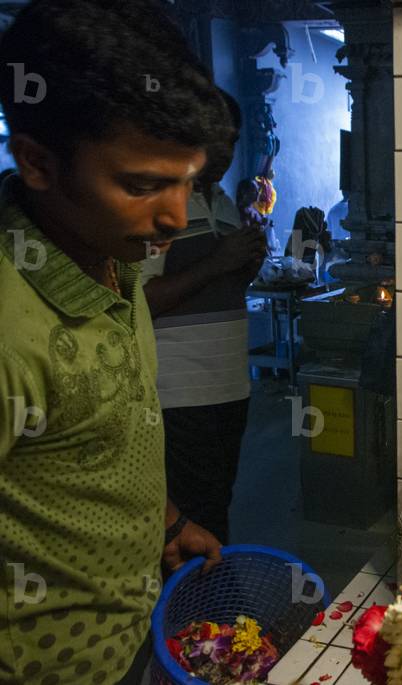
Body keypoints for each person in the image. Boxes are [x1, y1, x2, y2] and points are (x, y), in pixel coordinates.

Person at [0, 1, 231, 682]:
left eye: (186, 180)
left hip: (133, 638)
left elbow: (96, 439)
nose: (176, 217)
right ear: (39, 162)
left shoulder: (110, 253)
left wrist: (163, 523)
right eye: (141, 185)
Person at [141, 92, 266, 545]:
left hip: (230, 384)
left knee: (217, 500)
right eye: (217, 139)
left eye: (232, 140)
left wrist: (245, 265)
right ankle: (194, 605)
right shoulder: (161, 205)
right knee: (188, 512)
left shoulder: (226, 203)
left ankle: (213, 605)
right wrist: (217, 261)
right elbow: (143, 301)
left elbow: (222, 290)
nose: (227, 151)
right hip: (180, 390)